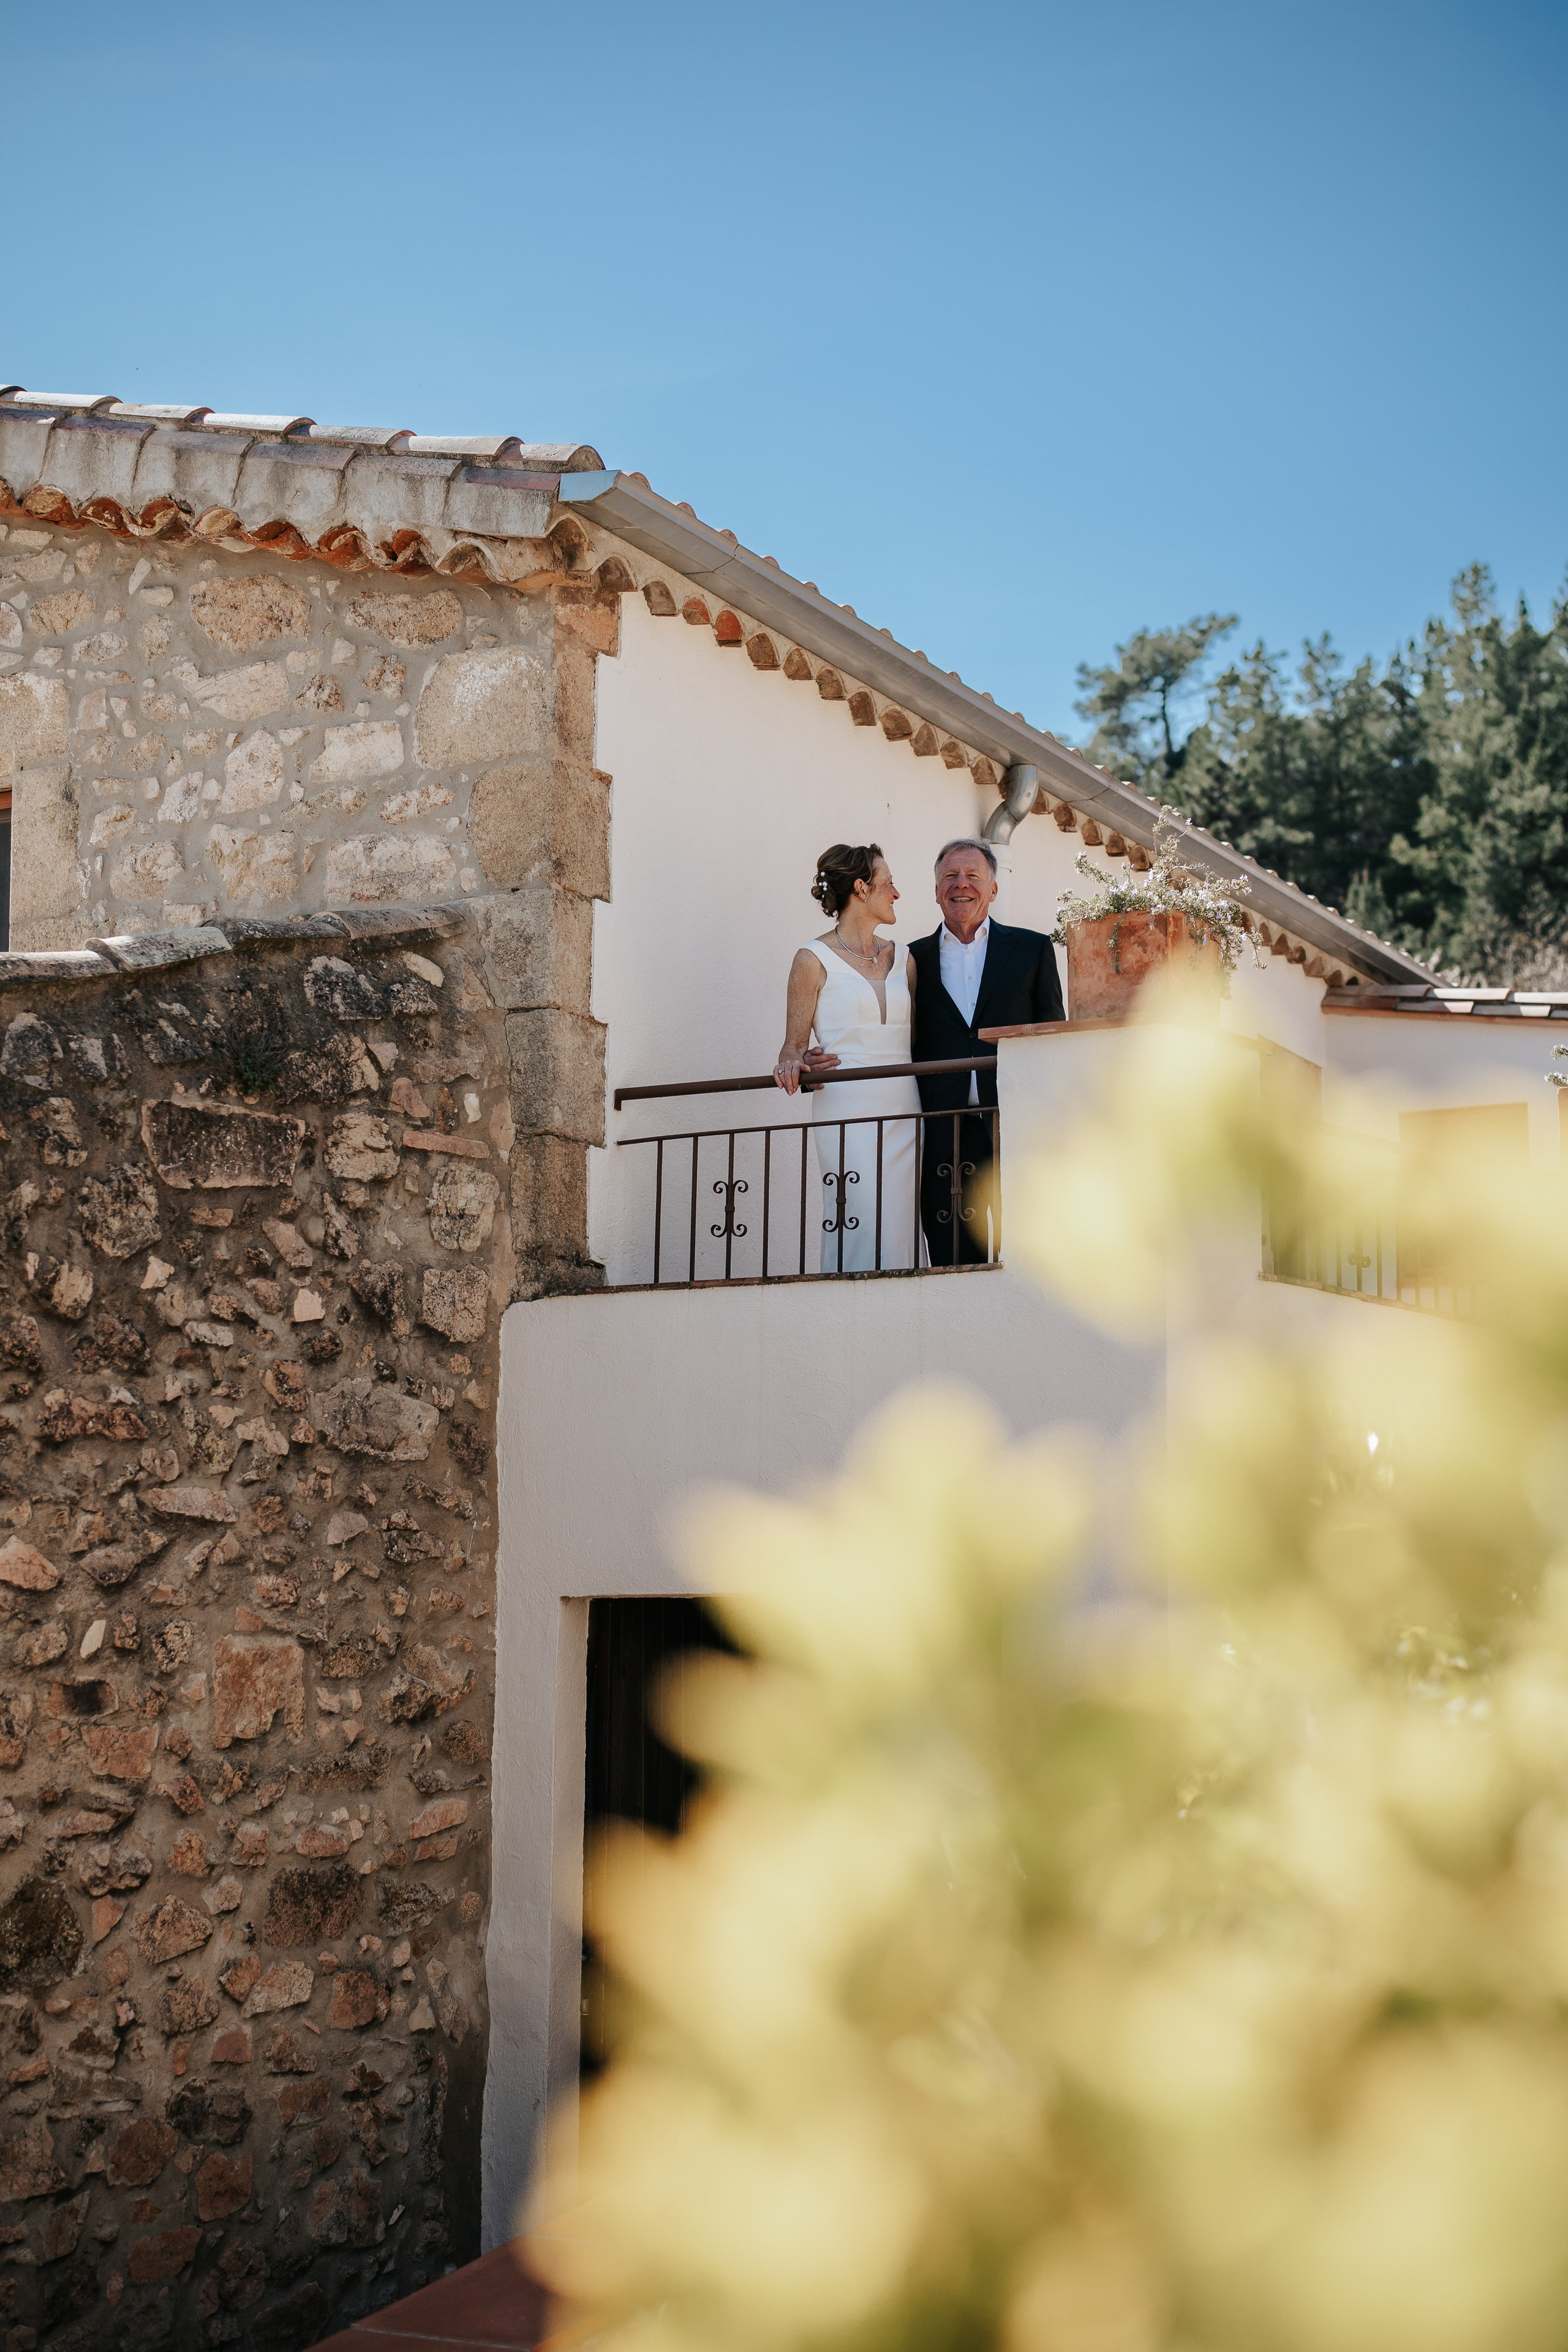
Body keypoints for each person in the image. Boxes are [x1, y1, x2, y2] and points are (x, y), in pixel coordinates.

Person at [908, 836, 1063, 1264]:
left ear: (993, 888)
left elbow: (1052, 1033)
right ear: (937, 890)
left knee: (1032, 1253)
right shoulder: (911, 959)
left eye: (973, 876)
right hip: (945, 1129)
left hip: (1017, 1121)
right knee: (953, 1255)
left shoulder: (1032, 949)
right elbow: (894, 1037)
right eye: (950, 876)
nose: (962, 885)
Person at [774, 843, 922, 1272]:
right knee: (858, 1216)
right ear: (862, 888)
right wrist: (797, 1065)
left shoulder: (905, 960)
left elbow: (919, 1040)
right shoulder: (811, 960)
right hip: (846, 1108)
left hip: (906, 1108)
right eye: (889, 883)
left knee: (901, 1224)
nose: (896, 893)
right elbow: (792, 1048)